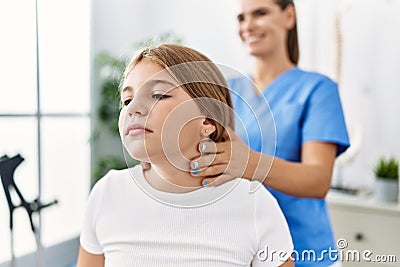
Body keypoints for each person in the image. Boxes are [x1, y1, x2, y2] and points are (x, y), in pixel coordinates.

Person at [77, 44, 294, 267]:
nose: (134, 109)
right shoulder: (107, 194)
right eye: (127, 100)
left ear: (208, 121)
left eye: (158, 95)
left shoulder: (254, 204)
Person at [187, 1, 350, 267]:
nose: (247, 25)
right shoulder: (227, 90)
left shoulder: (317, 89)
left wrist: (248, 162)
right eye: (241, 18)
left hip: (305, 252)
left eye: (260, 13)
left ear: (289, 15)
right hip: (239, 251)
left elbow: (318, 180)